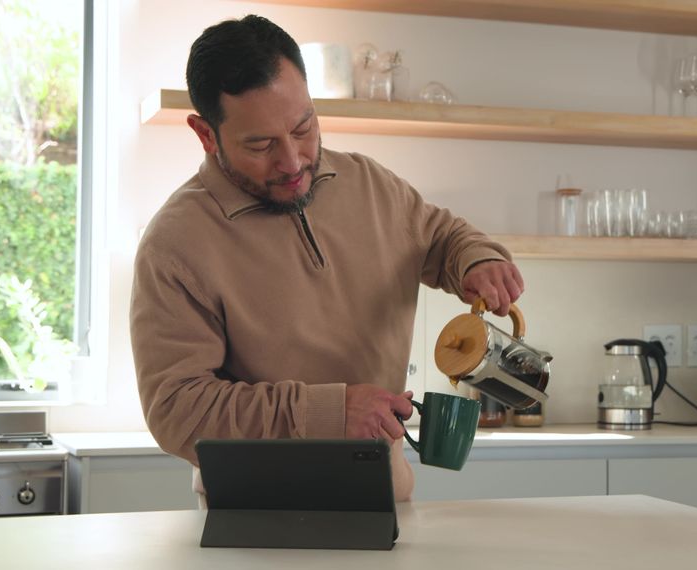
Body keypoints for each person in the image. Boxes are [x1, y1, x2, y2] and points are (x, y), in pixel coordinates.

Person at [130, 15, 524, 502]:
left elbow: (442, 235)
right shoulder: (176, 242)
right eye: (261, 144)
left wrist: (476, 259)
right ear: (205, 135)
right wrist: (328, 412)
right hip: (254, 523)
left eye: (304, 127)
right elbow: (178, 412)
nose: (293, 161)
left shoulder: (369, 183)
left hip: (387, 501)